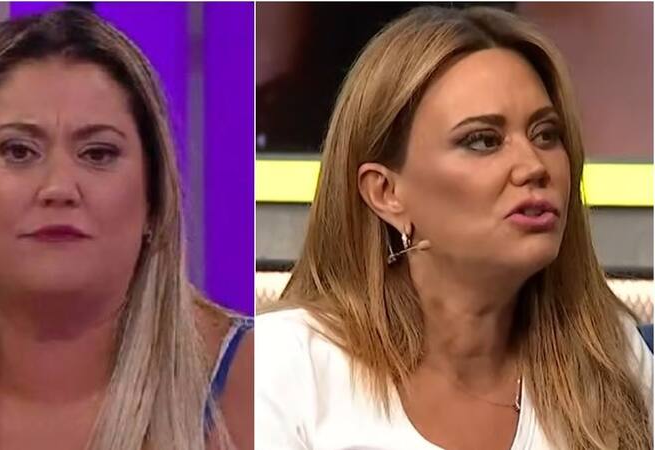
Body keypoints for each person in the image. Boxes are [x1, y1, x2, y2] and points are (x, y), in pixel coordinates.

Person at [256, 6, 651, 450]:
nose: (534, 166)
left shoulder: (613, 359)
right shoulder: (285, 366)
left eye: (545, 134)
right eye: (482, 140)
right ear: (386, 192)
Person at [0, 7, 252, 450]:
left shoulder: (259, 386)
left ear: (154, 195)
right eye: (18, 151)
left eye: (98, 154)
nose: (59, 188)